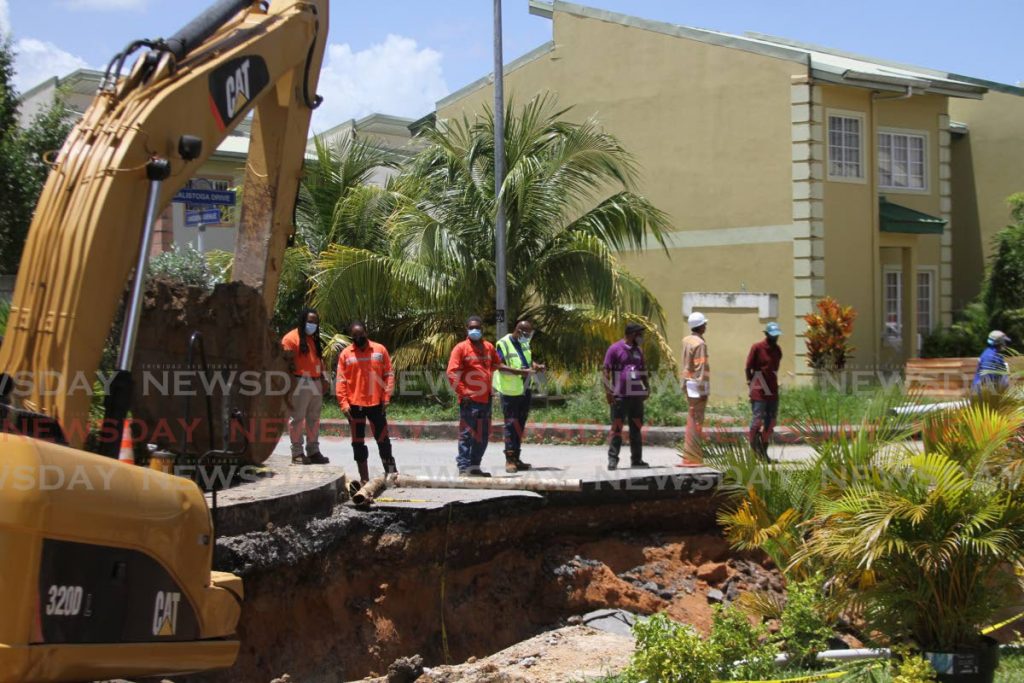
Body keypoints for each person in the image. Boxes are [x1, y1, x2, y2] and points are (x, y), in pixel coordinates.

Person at [447, 316, 512, 477]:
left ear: (482, 329)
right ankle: (463, 467)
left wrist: (519, 371)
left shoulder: (489, 347)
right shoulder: (460, 348)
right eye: (471, 327)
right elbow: (451, 373)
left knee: (482, 435)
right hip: (469, 401)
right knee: (467, 434)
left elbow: (497, 364)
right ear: (466, 329)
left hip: (486, 399)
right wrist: (463, 392)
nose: (474, 330)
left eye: (477, 327)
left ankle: (475, 466)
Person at [336, 321, 397, 485]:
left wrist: (386, 397)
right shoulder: (346, 354)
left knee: (383, 439)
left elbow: (389, 375)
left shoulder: (379, 350)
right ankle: (364, 478)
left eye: (360, 334)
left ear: (366, 332)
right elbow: (341, 380)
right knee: (358, 442)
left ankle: (391, 473)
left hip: (377, 403)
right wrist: (343, 403)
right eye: (354, 335)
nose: (358, 337)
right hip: (354, 405)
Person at [493, 319, 545, 473]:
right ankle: (509, 460)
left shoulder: (524, 343)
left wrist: (536, 366)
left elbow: (525, 360)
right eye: (527, 334)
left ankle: (516, 457)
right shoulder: (503, 343)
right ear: (519, 331)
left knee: (520, 424)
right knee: (511, 425)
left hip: (524, 388)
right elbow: (499, 366)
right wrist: (522, 372)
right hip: (509, 391)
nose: (528, 337)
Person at [281, 308, 329, 465]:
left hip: (315, 381)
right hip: (299, 382)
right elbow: (284, 364)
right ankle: (297, 453)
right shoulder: (290, 339)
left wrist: (324, 378)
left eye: (315, 322)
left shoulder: (314, 339)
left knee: (314, 419)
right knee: (297, 419)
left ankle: (313, 450)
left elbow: (318, 361)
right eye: (310, 321)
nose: (313, 324)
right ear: (303, 321)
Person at [603, 322, 651, 470]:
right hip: (620, 396)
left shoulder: (638, 351)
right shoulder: (615, 349)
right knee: (617, 428)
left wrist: (647, 387)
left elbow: (642, 369)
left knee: (636, 428)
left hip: (636, 396)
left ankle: (637, 460)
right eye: (639, 334)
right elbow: (606, 371)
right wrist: (608, 391)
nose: (641, 337)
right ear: (631, 334)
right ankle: (612, 460)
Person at [745, 322, 783, 462]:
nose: (775, 338)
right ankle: (754, 453)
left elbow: (774, 369)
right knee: (757, 421)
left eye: (777, 335)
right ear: (766, 334)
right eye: (773, 335)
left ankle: (763, 452)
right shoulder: (757, 348)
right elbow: (748, 367)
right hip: (758, 389)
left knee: (770, 422)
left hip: (772, 390)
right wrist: (751, 383)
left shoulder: (777, 350)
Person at [680, 312, 710, 466]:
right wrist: (703, 389)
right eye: (705, 324)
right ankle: (693, 456)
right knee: (697, 420)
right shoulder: (700, 344)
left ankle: (690, 454)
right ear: (700, 326)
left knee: (692, 418)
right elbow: (700, 367)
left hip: (688, 382)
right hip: (697, 385)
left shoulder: (687, 340)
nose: (706, 326)